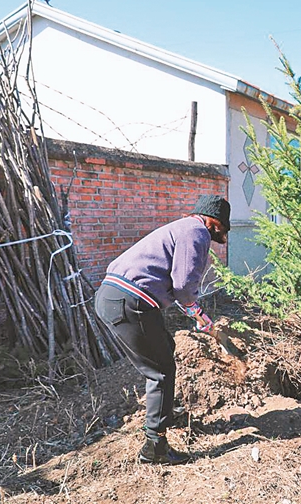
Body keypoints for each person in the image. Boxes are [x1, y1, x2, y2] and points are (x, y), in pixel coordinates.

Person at [94, 195, 231, 465]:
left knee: (165, 348)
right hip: (131, 301)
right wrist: (199, 314)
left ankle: (166, 411)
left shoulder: (180, 228)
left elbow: (174, 285)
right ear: (216, 222)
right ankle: (154, 447)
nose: (223, 235)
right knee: (161, 370)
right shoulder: (197, 232)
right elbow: (182, 286)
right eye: (224, 229)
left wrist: (194, 312)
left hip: (112, 296)